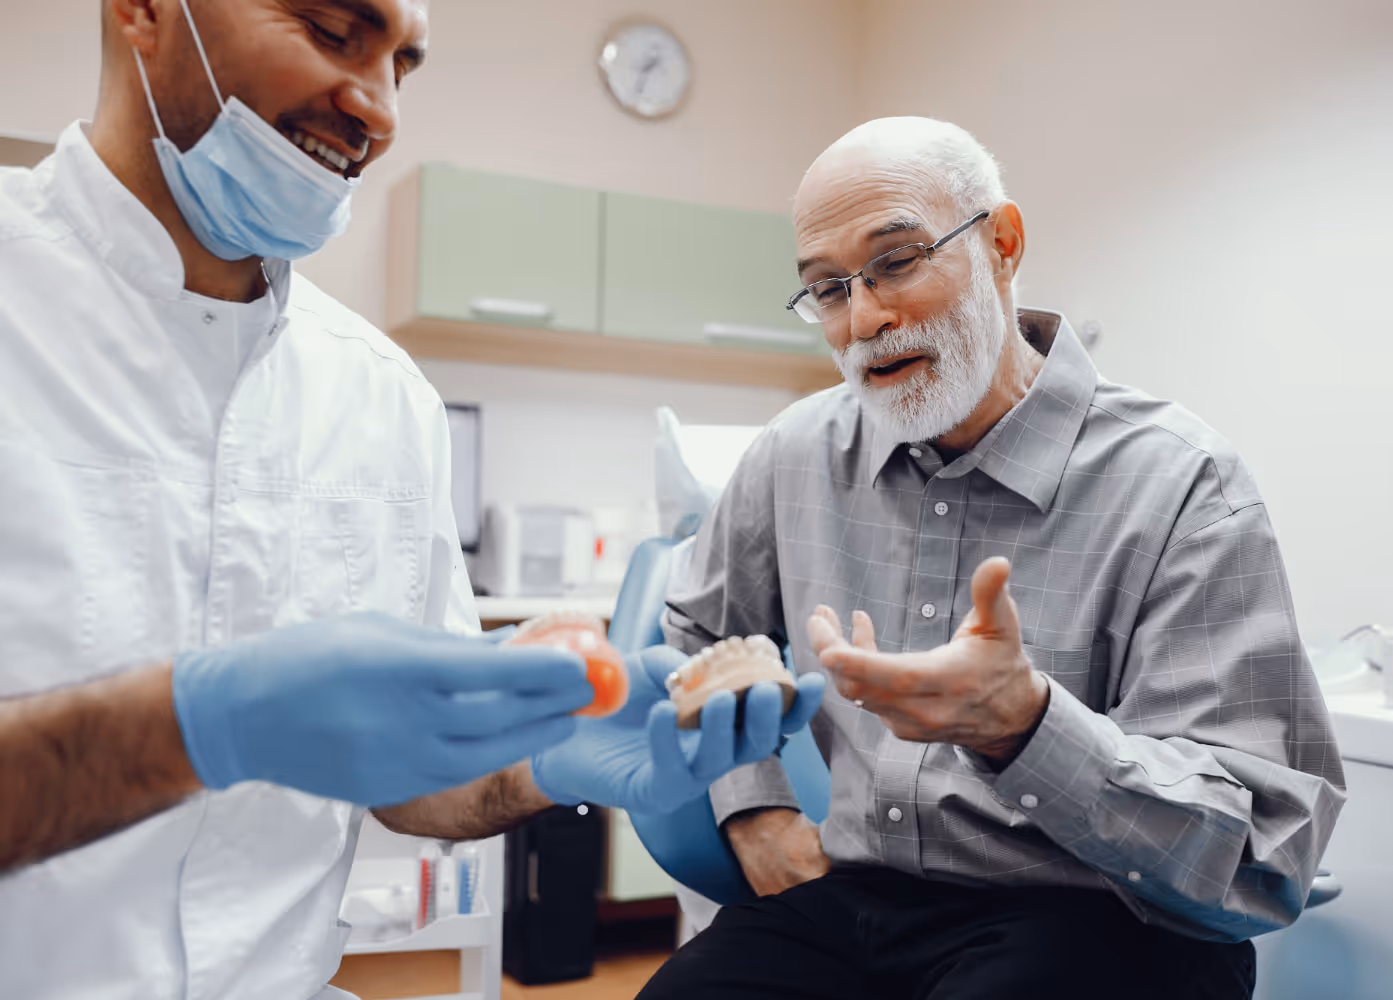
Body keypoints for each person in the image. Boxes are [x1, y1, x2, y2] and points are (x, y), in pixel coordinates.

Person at [0, 1, 821, 997]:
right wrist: (190, 725)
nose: (379, 110)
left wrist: (538, 759)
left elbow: (415, 787)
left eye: (406, 64)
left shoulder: (381, 395)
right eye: (331, 29)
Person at [644, 117, 1346, 999]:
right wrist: (756, 807)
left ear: (1002, 246)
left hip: (1100, 914)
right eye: (827, 289)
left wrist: (1028, 726)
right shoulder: (796, 453)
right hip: (858, 901)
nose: (864, 318)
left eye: (896, 262)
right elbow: (697, 629)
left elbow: (1262, 855)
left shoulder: (1182, 484)